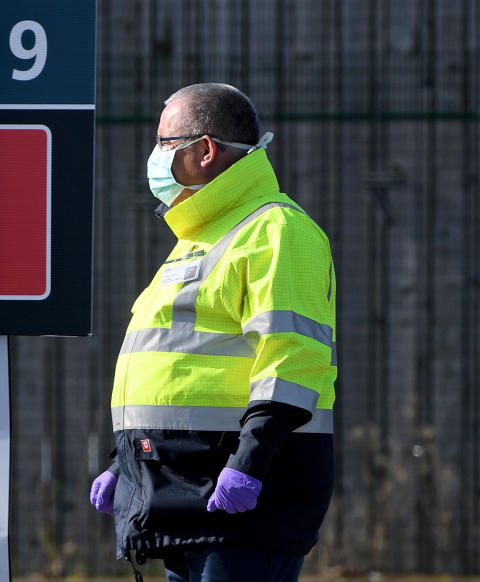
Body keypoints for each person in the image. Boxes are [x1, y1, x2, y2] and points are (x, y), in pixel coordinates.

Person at [89, 83, 336, 582]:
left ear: (204, 151)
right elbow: (174, 366)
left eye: (164, 143)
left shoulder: (276, 232)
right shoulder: (199, 238)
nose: (154, 158)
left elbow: (290, 360)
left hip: (243, 501)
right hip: (184, 492)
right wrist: (127, 463)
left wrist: (248, 465)